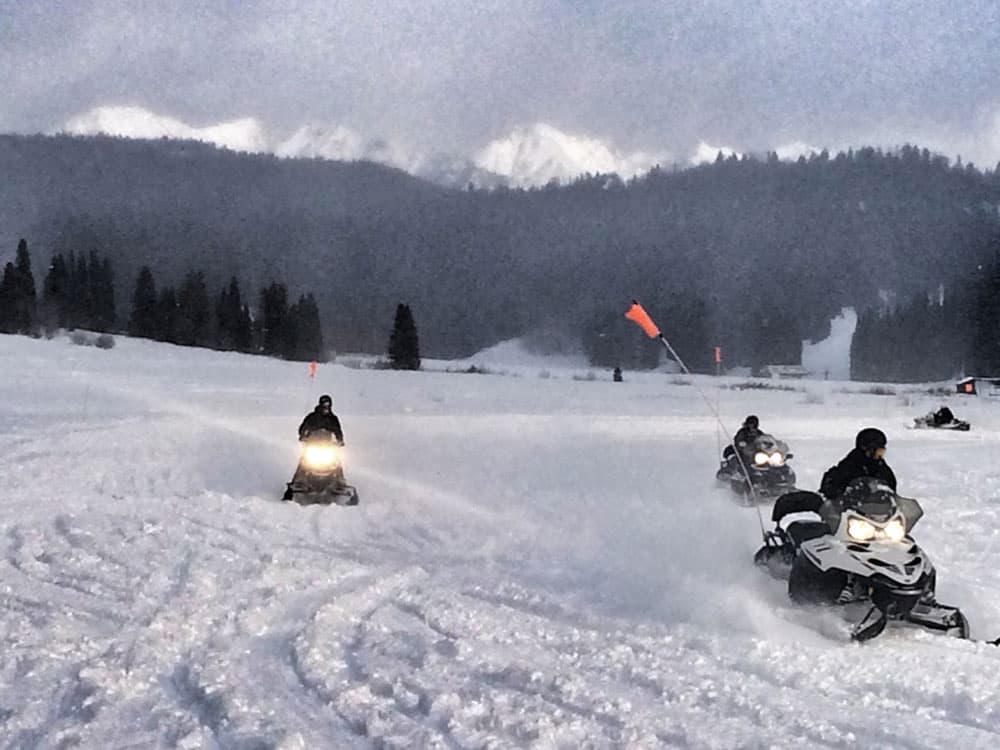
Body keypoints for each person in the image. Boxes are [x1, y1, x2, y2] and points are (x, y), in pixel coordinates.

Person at [820, 427, 896, 501]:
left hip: (879, 511)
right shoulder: (849, 466)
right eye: (878, 451)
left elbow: (891, 486)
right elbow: (831, 488)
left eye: (882, 451)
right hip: (852, 510)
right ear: (866, 448)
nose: (880, 455)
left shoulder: (881, 467)